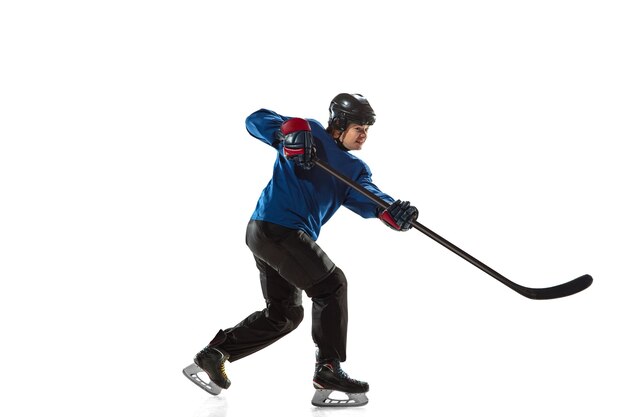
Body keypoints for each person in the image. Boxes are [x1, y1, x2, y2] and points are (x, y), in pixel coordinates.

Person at [187, 93, 418, 407]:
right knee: (331, 284)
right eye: (358, 127)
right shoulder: (308, 133)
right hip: (275, 227)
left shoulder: (354, 170)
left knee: (285, 315)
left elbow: (372, 199)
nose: (364, 134)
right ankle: (328, 369)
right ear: (338, 125)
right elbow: (255, 120)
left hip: (274, 237)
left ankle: (215, 354)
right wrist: (292, 131)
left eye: (367, 129)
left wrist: (392, 211)